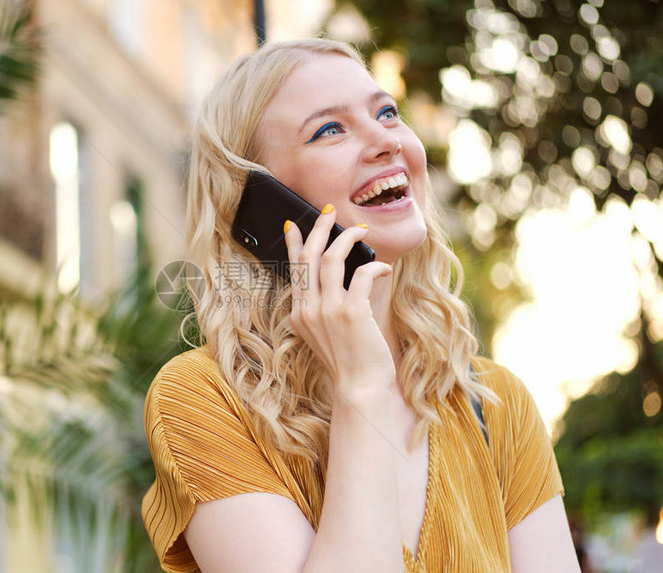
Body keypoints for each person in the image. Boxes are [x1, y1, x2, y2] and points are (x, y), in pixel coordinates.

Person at [141, 38, 580, 572]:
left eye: (387, 113)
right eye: (330, 129)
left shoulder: (498, 407)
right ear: (258, 203)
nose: (385, 141)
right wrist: (362, 387)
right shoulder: (202, 399)